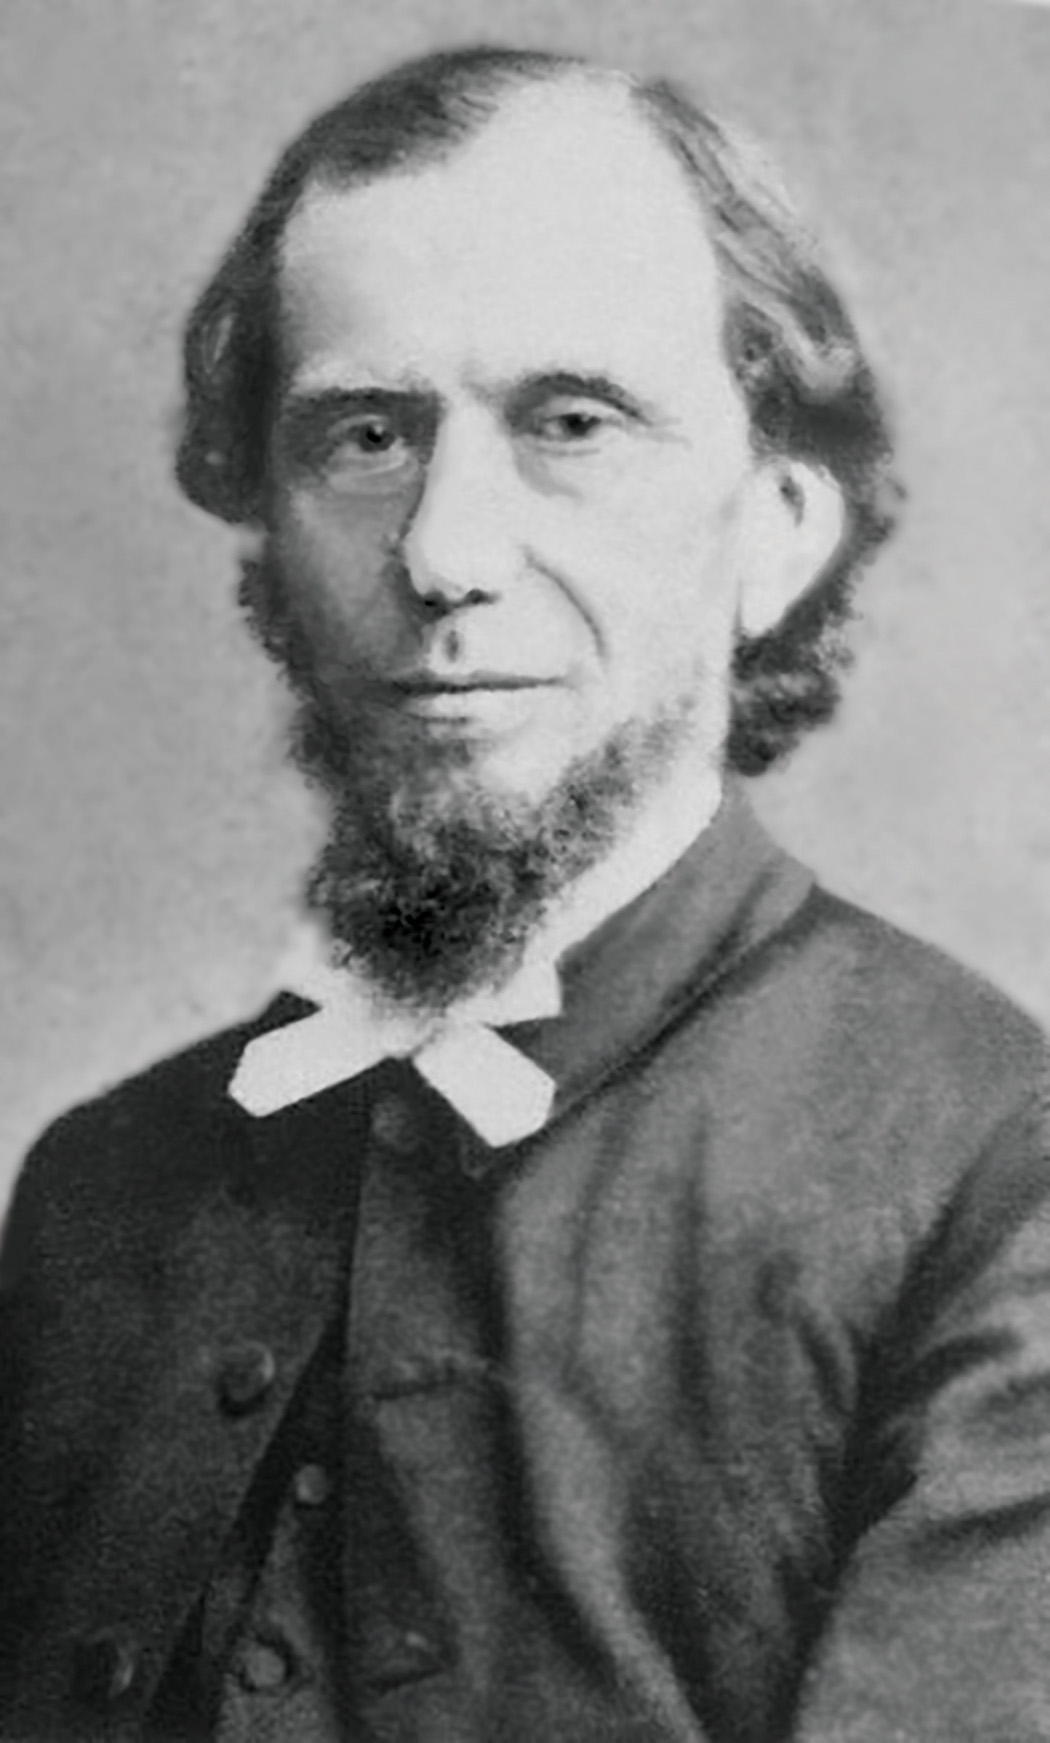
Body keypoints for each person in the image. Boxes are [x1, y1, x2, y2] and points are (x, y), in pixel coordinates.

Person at [2, 43, 1048, 1743]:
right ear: (266, 545)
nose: (443, 552)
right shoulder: (99, 1189)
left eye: (569, 425)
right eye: (363, 436)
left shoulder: (993, 1170)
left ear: (777, 531)